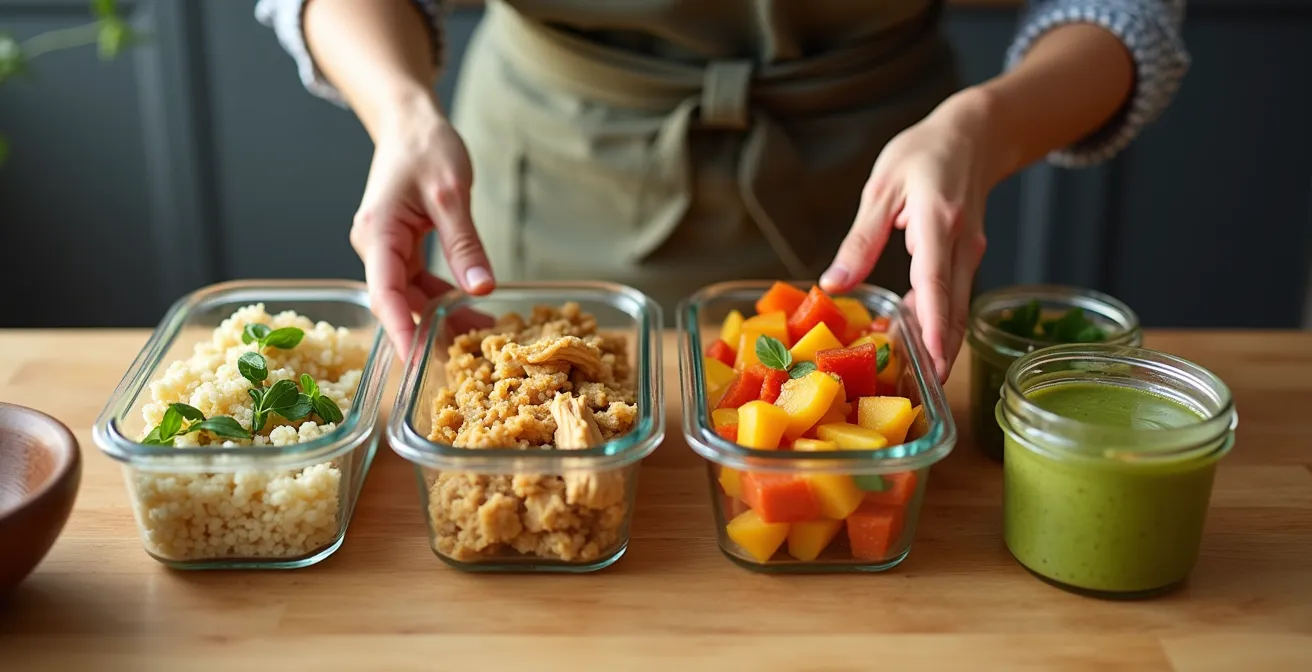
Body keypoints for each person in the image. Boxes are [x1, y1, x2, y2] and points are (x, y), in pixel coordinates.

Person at [255, 0, 1187, 381]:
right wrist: (402, 112)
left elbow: (1124, 10)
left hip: (882, 169)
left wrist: (982, 128)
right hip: (548, 162)